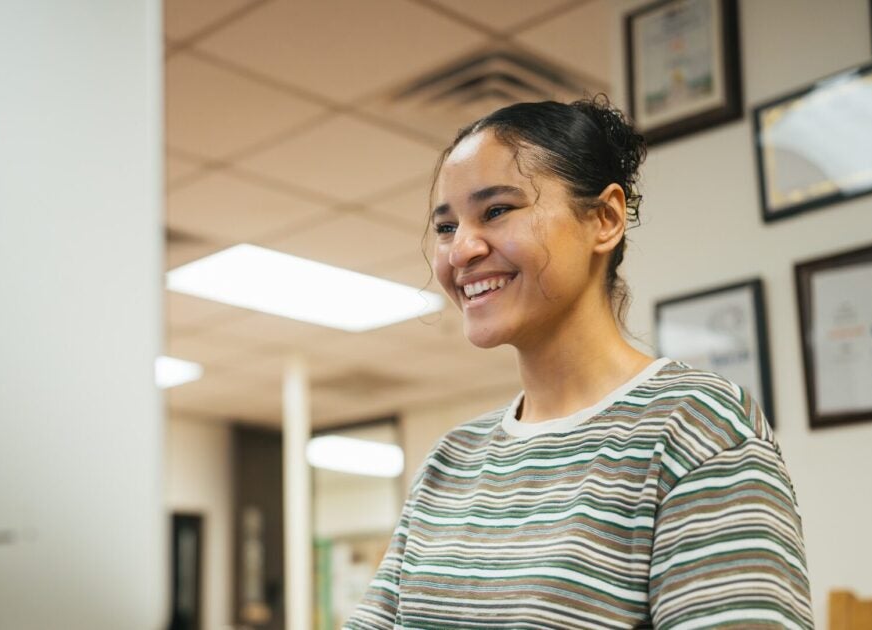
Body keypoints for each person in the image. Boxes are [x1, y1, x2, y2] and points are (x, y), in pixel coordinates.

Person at [343, 97, 813, 629]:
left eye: (496, 210)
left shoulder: (696, 428)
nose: (460, 250)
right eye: (447, 227)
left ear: (606, 219)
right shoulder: (450, 462)